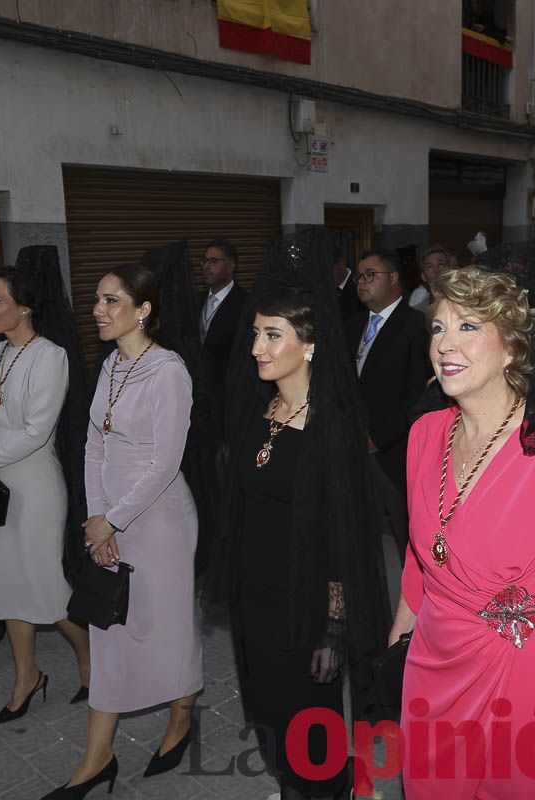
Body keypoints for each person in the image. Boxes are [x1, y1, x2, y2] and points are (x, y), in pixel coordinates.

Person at [389, 256, 535, 799]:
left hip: (528, 682)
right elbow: (420, 554)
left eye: (469, 326)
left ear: (514, 345)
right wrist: (400, 635)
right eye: (438, 327)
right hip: (432, 672)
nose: (446, 343)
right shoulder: (425, 433)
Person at [211, 233, 390, 799]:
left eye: (271, 335)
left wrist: (334, 627)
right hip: (255, 596)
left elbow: (343, 533)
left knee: (311, 735)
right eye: (256, 334)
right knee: (269, 715)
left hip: (306, 602)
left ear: (309, 344)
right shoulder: (260, 408)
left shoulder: (331, 425)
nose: (257, 347)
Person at [44, 262, 204, 799]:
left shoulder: (168, 372)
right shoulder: (111, 366)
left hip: (159, 523)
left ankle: (182, 717)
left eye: (111, 301)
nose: (97, 311)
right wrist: (97, 519)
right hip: (109, 518)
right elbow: (94, 446)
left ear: (144, 310)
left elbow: (165, 463)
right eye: (97, 300)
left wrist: (111, 518)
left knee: (170, 625)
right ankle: (97, 759)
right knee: (108, 631)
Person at [0, 267, 93, 725]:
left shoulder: (51, 356)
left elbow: (37, 432)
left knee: (50, 590)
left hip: (36, 487)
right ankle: (26, 676)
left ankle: (90, 659)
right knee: (8, 583)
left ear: (25, 307)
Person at [345, 248, 430, 557]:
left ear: (393, 278)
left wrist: (379, 438)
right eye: (359, 276)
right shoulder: (353, 324)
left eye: (371, 275)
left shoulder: (414, 325)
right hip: (352, 441)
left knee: (404, 531)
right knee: (357, 530)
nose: (362, 282)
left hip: (393, 447)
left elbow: (418, 394)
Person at [199, 239, 248, 426]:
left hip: (230, 400)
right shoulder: (196, 301)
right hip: (199, 401)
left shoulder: (246, 304)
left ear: (230, 266)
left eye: (214, 261)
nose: (206, 267)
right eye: (204, 261)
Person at [408, 245, 452, 310]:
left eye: (441, 264)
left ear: (450, 270)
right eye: (429, 267)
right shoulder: (419, 310)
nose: (436, 271)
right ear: (423, 276)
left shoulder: (465, 301)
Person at [333, 239, 361, 319]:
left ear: (341, 263)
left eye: (327, 269)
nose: (323, 275)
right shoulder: (321, 288)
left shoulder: (360, 288)